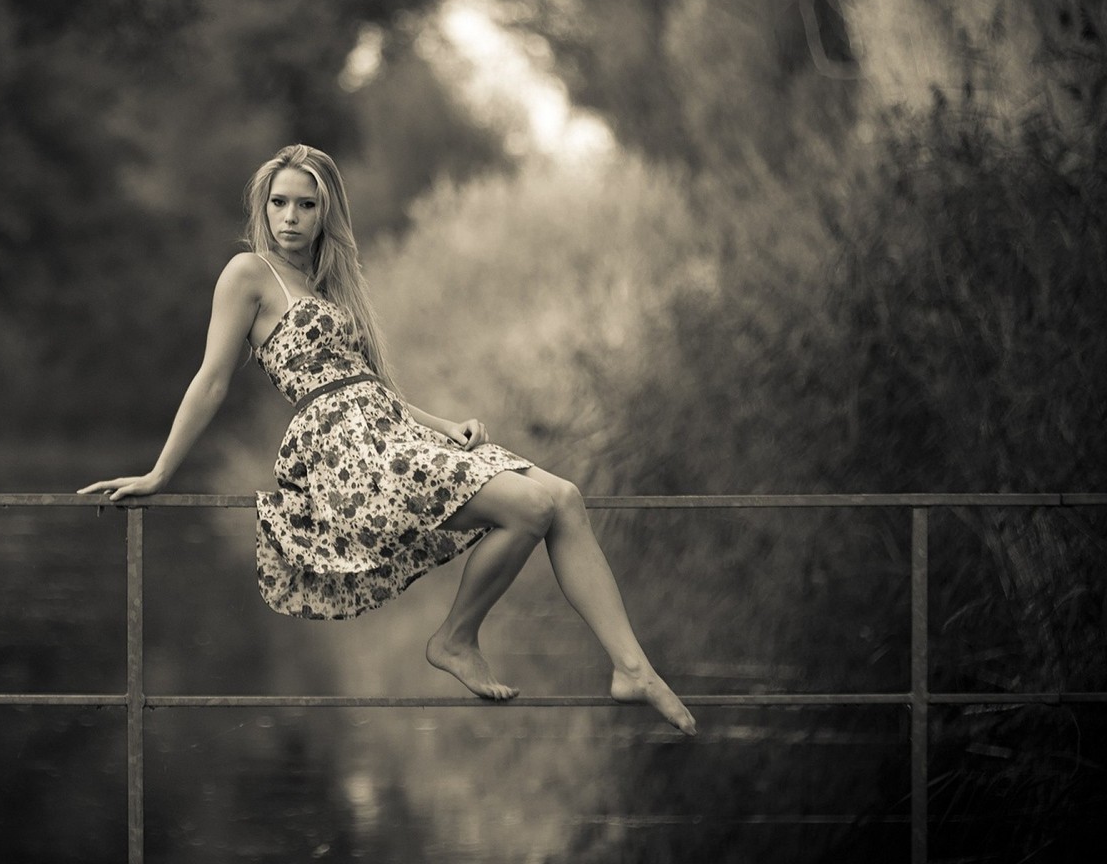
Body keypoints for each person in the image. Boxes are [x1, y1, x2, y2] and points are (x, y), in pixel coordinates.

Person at [79, 144, 696, 734]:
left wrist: (444, 427)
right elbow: (211, 380)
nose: (290, 217)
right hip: (339, 451)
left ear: (327, 214)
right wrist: (161, 472)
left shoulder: (328, 289)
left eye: (306, 205)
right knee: (531, 508)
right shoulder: (249, 272)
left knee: (564, 497)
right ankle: (455, 638)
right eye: (279, 202)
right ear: (262, 207)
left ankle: (631, 668)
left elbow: (368, 386)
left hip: (385, 431)